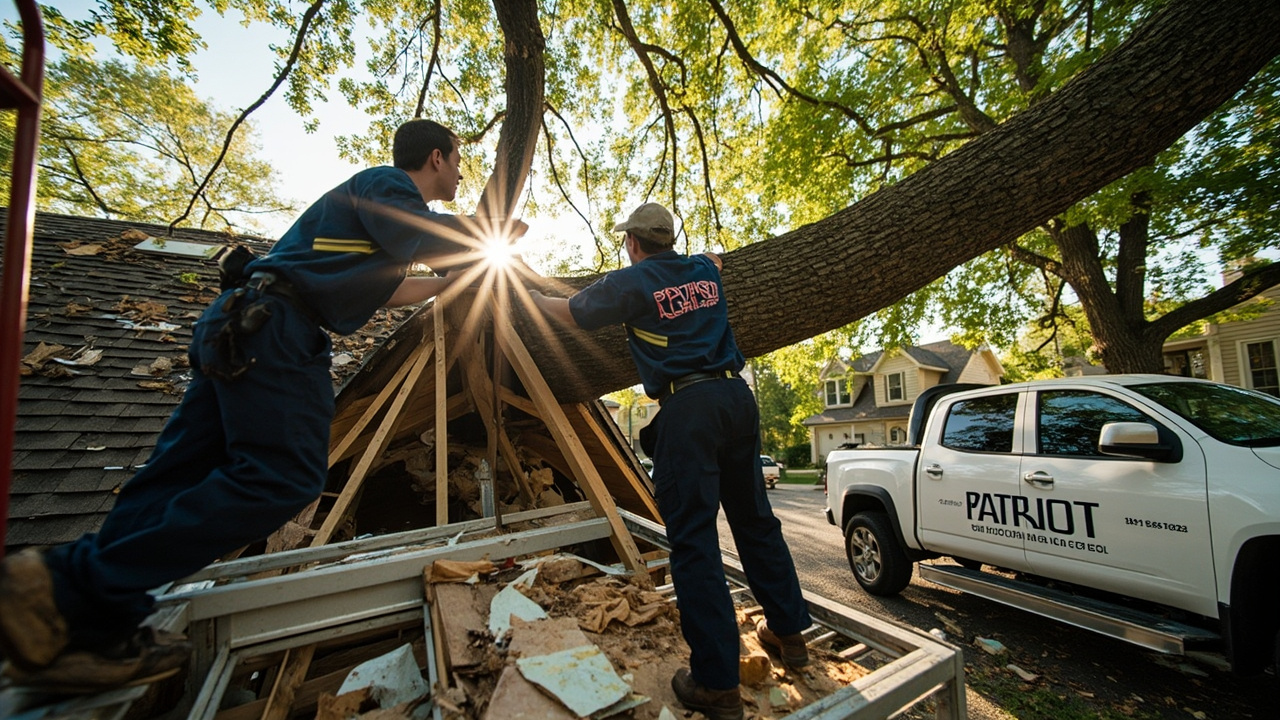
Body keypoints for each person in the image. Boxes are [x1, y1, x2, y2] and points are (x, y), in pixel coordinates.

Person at [0, 119, 524, 691]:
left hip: (241, 324)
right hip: (277, 330)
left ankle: (90, 627)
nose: (460, 173)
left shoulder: (369, 230)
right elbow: (429, 237)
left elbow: (390, 289)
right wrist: (491, 234)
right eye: (457, 161)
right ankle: (64, 581)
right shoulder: (388, 187)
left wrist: (459, 280)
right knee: (285, 476)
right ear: (436, 157)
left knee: (176, 476)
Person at [530, 203, 811, 720]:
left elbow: (572, 313)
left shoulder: (632, 281)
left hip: (689, 410)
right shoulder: (701, 270)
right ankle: (790, 633)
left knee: (695, 544)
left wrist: (531, 300)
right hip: (736, 401)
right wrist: (709, 258)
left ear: (634, 243)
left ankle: (717, 683)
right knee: (755, 523)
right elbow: (716, 259)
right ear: (670, 240)